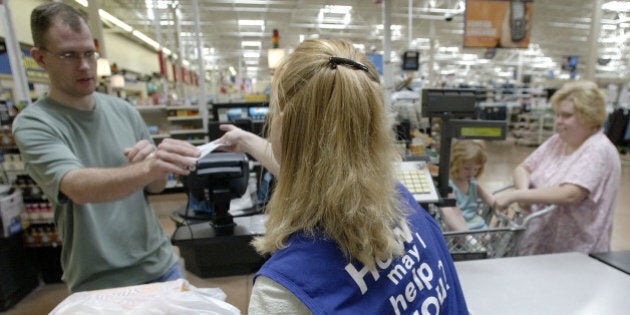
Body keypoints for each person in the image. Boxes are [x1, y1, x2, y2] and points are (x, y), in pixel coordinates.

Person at [219, 39, 468, 314]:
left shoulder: (286, 291)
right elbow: (317, 173)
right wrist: (245, 141)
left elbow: (308, 167)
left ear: (284, 127)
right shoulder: (403, 202)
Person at [13, 2, 200, 292]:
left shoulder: (123, 110)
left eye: (89, 53)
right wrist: (148, 167)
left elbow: (156, 188)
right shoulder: (35, 123)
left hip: (160, 266)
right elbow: (77, 186)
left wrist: (155, 167)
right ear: (40, 58)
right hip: (99, 281)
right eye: (69, 55)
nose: (85, 65)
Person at [493, 80, 621, 255]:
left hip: (577, 253)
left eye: (567, 116)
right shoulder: (558, 141)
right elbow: (523, 168)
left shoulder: (598, 149)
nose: (559, 122)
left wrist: (516, 195)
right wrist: (524, 193)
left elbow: (571, 193)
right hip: (540, 246)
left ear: (589, 116)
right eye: (558, 115)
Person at [441, 140, 495, 232]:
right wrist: (465, 233)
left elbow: (487, 196)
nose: (472, 172)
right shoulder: (450, 185)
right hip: (459, 226)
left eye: (476, 169)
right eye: (467, 168)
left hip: (476, 223)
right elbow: (455, 211)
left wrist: (498, 205)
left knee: (489, 237)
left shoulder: (473, 182)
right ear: (455, 164)